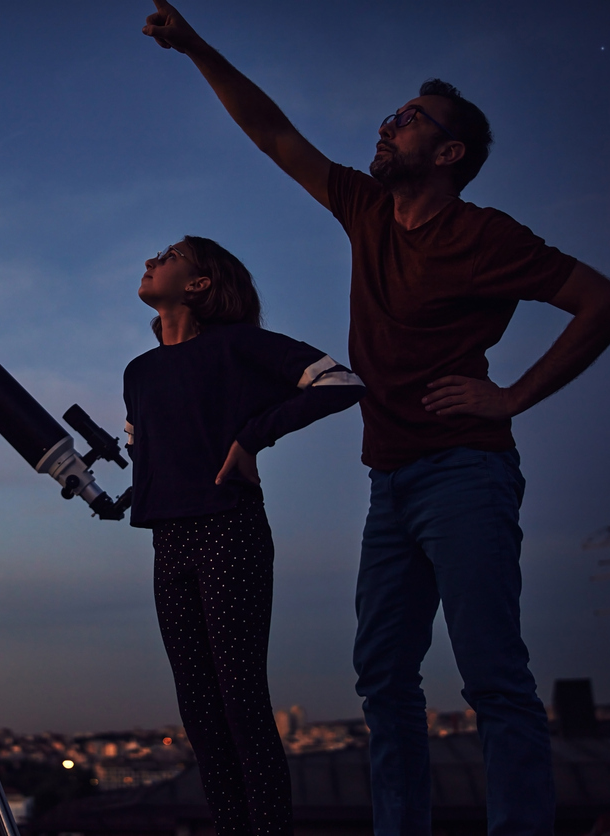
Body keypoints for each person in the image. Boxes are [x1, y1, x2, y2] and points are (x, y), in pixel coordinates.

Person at [139, 4, 610, 835]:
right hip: (390, 481)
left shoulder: (487, 237)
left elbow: (606, 304)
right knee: (382, 677)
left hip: (465, 472)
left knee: (494, 681)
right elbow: (274, 134)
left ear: (448, 153)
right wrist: (194, 46)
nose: (389, 123)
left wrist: (512, 395)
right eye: (393, 113)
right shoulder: (367, 209)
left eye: (410, 119)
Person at [124, 235, 365, 835]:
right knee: (198, 710)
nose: (151, 261)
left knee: (240, 698)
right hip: (168, 542)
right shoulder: (139, 371)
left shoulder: (240, 347)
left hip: (229, 532)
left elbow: (341, 382)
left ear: (200, 284)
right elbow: (143, 446)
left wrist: (254, 436)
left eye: (169, 255)